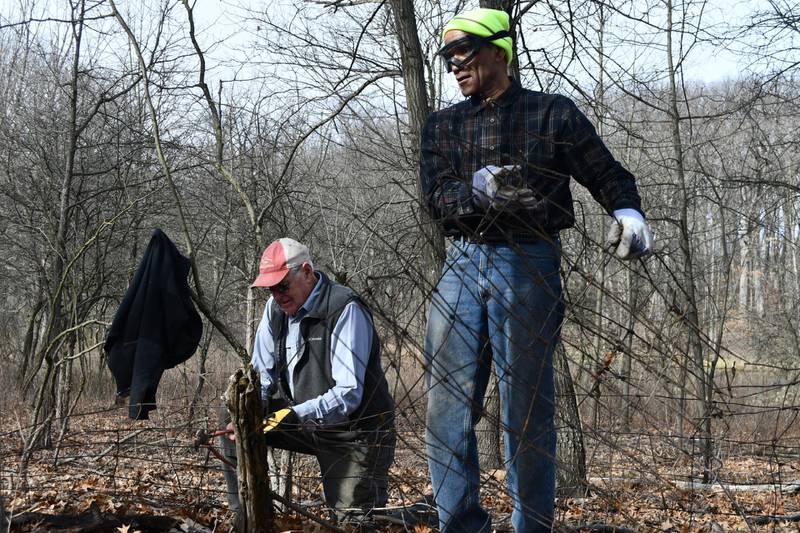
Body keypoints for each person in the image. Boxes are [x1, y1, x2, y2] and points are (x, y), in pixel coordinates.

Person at [419, 8, 653, 533]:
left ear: (499, 50)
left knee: (525, 411)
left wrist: (628, 213)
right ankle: (460, 525)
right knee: (446, 409)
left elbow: (605, 172)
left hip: (528, 261)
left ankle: (532, 526)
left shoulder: (553, 114)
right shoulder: (443, 125)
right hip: (460, 261)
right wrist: (475, 192)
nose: (454, 64)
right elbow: (434, 196)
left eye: (465, 52)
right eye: (447, 57)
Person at [219, 238, 396, 525]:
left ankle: (420, 515)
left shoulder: (343, 308)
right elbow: (262, 374)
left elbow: (348, 394)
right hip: (303, 422)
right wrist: (254, 409)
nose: (277, 295)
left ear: (306, 271)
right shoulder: (274, 310)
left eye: (283, 286)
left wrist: (292, 415)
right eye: (271, 288)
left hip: (354, 433)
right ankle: (246, 520)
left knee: (352, 523)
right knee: (234, 414)